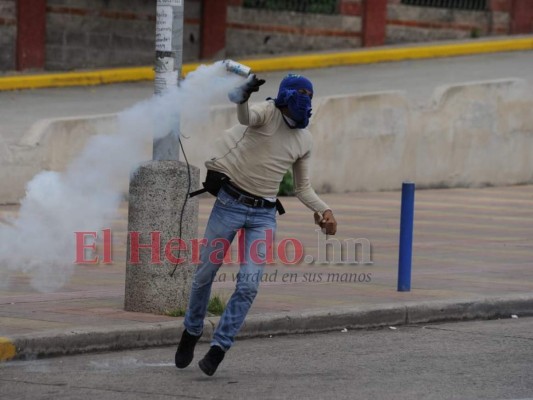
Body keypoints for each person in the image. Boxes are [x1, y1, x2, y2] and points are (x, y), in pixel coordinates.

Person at [175, 73, 337, 376]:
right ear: (286, 96)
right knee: (204, 274)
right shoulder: (267, 112)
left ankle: (220, 346)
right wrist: (243, 96)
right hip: (229, 205)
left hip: (263, 216)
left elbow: (303, 187)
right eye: (300, 93)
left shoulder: (305, 139)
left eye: (309, 95)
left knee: (249, 285)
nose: (305, 99)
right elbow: (246, 116)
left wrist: (325, 210)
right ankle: (192, 329)